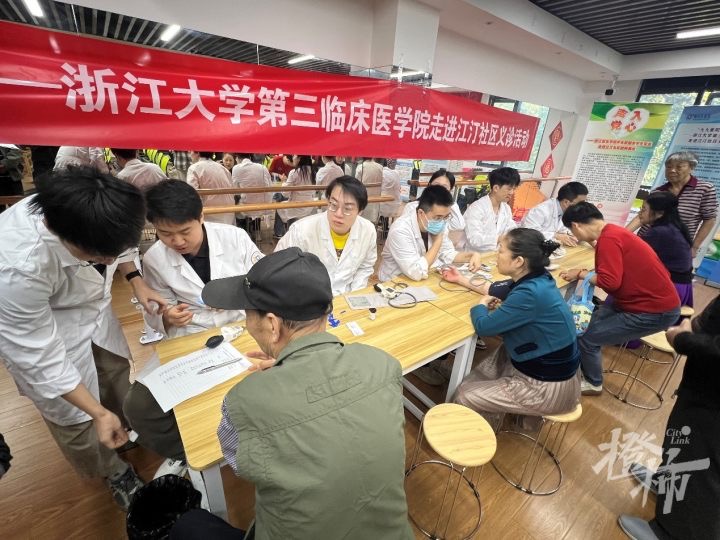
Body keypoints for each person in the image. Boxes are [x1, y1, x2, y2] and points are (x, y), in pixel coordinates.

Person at [189, 247, 413, 540]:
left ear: (272, 325)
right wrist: (291, 369)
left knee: (189, 524)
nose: (247, 323)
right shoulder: (384, 364)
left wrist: (277, 384)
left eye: (248, 314)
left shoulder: (242, 402)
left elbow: (241, 465)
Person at [0, 166, 163, 510]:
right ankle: (113, 471)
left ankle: (124, 429)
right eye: (99, 255)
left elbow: (120, 248)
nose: (109, 260)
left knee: (115, 375)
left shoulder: (103, 204)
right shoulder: (16, 266)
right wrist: (96, 412)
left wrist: (135, 280)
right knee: (77, 418)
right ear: (63, 235)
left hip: (94, 313)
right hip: (50, 330)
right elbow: (41, 360)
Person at [123, 179, 263, 473]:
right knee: (140, 406)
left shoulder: (234, 238)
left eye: (185, 231)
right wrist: (167, 316)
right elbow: (155, 306)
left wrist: (238, 296)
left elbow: (263, 281)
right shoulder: (155, 258)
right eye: (165, 234)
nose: (177, 241)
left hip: (240, 326)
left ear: (201, 217)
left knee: (253, 386)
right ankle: (190, 452)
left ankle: (245, 442)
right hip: (191, 335)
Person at [445, 229, 580, 429]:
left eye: (500, 251)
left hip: (548, 387)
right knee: (493, 361)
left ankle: (472, 434)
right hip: (554, 370)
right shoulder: (537, 278)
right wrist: (460, 279)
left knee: (465, 395)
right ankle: (497, 413)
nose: (496, 255)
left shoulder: (529, 293)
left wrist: (480, 306)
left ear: (518, 261)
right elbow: (493, 289)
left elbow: (483, 327)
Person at [618, 298, 720, 540]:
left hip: (714, 401)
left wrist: (684, 339)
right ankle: (667, 483)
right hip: (703, 385)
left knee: (701, 464)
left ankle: (670, 532)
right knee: (682, 443)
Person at [560, 202, 680, 395]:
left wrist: (581, 273)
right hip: (637, 302)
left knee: (588, 338)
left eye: (573, 231)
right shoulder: (613, 233)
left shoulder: (609, 239)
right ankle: (579, 370)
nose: (576, 236)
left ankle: (593, 383)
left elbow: (610, 282)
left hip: (653, 310)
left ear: (576, 225)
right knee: (583, 327)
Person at [276, 176, 376, 295]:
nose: (338, 214)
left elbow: (365, 267)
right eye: (333, 205)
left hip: (346, 296)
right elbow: (278, 266)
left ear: (360, 211)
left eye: (347, 208)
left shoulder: (367, 230)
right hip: (307, 298)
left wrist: (354, 296)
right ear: (328, 201)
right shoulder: (302, 230)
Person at [379, 185, 483, 282]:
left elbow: (447, 253)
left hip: (422, 279)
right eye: (438, 217)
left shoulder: (438, 223)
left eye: (446, 217)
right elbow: (416, 272)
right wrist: (437, 241)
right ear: (421, 213)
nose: (442, 221)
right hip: (395, 282)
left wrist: (471, 255)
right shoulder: (400, 230)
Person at [627, 151, 717, 258]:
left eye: (679, 167)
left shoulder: (704, 189)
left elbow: (709, 219)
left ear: (691, 168)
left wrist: (694, 247)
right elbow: (641, 216)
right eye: (669, 167)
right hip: (646, 242)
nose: (672, 170)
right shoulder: (658, 191)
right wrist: (622, 234)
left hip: (675, 247)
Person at [637, 191, 694, 308]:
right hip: (681, 286)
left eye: (644, 209)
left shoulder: (660, 232)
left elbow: (632, 252)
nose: (640, 213)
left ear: (660, 213)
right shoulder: (674, 227)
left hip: (671, 288)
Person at [403, 169, 466, 249]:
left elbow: (459, 226)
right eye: (436, 185)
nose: (440, 189)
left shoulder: (447, 212)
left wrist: (449, 203)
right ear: (429, 185)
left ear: (450, 190)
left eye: (444, 187)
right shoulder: (412, 207)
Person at [464, 166, 521, 252]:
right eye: (509, 189)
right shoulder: (476, 208)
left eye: (514, 189)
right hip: (476, 255)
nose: (512, 193)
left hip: (497, 254)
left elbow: (511, 229)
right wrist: (499, 239)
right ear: (496, 188)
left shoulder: (506, 208)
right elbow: (474, 239)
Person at [521, 181, 588, 245]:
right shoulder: (541, 210)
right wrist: (556, 236)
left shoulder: (566, 211)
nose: (583, 206)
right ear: (566, 202)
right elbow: (529, 232)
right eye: (581, 203)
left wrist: (573, 234)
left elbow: (564, 228)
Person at [186, 151, 235, 225]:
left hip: (210, 217)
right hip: (229, 215)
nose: (189, 154)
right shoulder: (223, 168)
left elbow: (192, 197)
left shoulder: (193, 168)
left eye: (191, 151)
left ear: (198, 153)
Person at [231, 153, 272, 235]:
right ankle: (257, 232)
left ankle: (244, 234)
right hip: (263, 205)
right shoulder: (262, 167)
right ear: (250, 157)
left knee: (236, 209)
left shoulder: (236, 168)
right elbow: (269, 185)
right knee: (254, 202)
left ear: (237, 158)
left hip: (247, 207)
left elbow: (235, 189)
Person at [275, 155, 316, 236]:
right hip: (309, 207)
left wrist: (284, 183)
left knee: (279, 205)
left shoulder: (294, 172)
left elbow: (285, 194)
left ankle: (280, 233)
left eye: (294, 156)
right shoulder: (313, 172)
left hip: (296, 207)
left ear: (299, 159)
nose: (293, 158)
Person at [355, 157, 384, 223]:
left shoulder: (361, 167)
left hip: (364, 202)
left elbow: (356, 184)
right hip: (377, 202)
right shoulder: (380, 167)